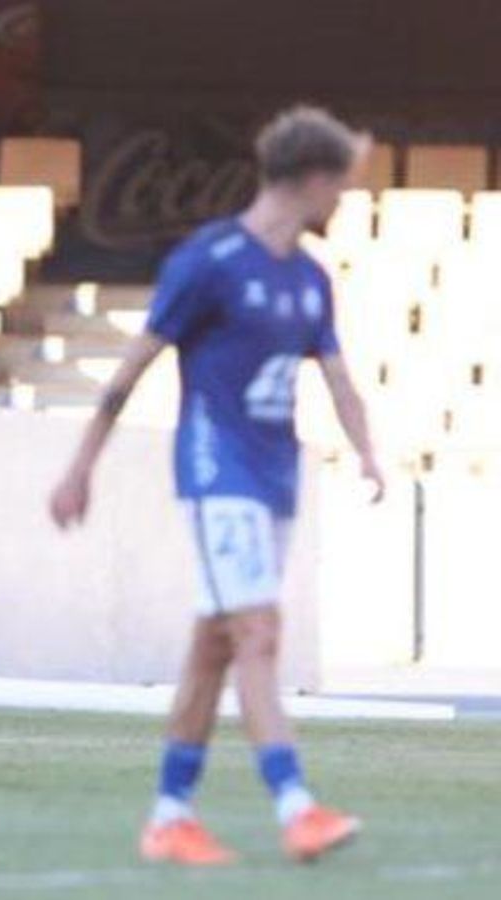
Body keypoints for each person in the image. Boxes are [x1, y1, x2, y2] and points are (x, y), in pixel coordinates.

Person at [48, 105, 383, 866]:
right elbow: (132, 368)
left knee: (214, 647)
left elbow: (338, 377)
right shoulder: (209, 259)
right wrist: (79, 467)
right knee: (259, 634)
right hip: (216, 466)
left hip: (275, 474)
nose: (342, 202)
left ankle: (170, 816)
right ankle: (297, 807)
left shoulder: (308, 277)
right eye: (342, 185)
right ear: (315, 178)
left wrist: (367, 453)